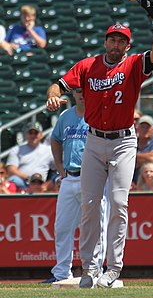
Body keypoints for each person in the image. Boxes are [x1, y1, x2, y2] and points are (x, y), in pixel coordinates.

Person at [46, 21, 153, 288]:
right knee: (89, 206)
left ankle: (113, 268)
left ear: (128, 45)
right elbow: (59, 85)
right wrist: (53, 95)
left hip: (123, 141)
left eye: (121, 40)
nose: (116, 44)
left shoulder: (133, 64)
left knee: (119, 203)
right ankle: (89, 268)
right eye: (112, 39)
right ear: (105, 42)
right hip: (94, 139)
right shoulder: (88, 66)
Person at [42, 88, 109, 284]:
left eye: (84, 91)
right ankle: (62, 273)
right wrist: (60, 167)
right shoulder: (66, 116)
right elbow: (55, 139)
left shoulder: (98, 114)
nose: (81, 94)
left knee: (97, 228)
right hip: (69, 177)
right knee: (62, 227)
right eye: (77, 91)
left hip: (93, 178)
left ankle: (95, 271)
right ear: (72, 94)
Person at [6, 121, 55, 190]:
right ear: (26, 135)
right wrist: (28, 178)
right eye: (30, 133)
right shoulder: (17, 149)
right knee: (13, 180)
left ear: (41, 135)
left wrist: (47, 184)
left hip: (40, 183)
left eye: (36, 133)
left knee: (59, 179)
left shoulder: (49, 150)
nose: (33, 135)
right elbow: (11, 169)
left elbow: (59, 167)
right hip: (22, 182)